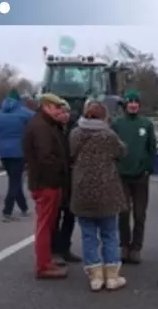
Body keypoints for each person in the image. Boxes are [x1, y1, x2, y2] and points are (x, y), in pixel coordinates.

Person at [70, 101, 128, 292]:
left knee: (88, 235)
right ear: (104, 116)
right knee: (110, 234)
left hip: (82, 191)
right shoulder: (108, 135)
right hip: (107, 192)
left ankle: (95, 277)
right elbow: (122, 152)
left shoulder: (76, 133)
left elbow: (70, 154)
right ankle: (111, 276)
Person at [23, 93, 70, 279]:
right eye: (57, 107)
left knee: (47, 225)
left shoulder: (43, 124)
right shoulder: (41, 127)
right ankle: (43, 265)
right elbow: (46, 157)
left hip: (45, 181)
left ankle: (46, 261)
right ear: (47, 106)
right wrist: (59, 174)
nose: (60, 111)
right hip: (46, 183)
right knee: (44, 226)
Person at [110, 90, 157, 265]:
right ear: (125, 105)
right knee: (123, 212)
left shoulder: (146, 124)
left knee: (139, 214)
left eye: (135, 102)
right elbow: (112, 148)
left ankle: (136, 248)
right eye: (130, 102)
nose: (133, 105)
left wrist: (148, 168)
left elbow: (151, 148)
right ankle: (124, 245)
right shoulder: (117, 124)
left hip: (140, 177)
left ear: (139, 105)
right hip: (122, 175)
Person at [0, 89, 34, 221]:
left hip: (4, 153)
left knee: (14, 179)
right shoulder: (27, 114)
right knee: (15, 181)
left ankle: (24, 208)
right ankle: (7, 211)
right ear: (19, 101)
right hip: (20, 152)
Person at [51, 101, 82, 265]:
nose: (65, 115)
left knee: (70, 215)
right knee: (55, 216)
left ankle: (65, 248)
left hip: (72, 177)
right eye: (61, 112)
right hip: (57, 177)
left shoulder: (75, 130)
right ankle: (54, 250)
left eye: (67, 112)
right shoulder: (52, 130)